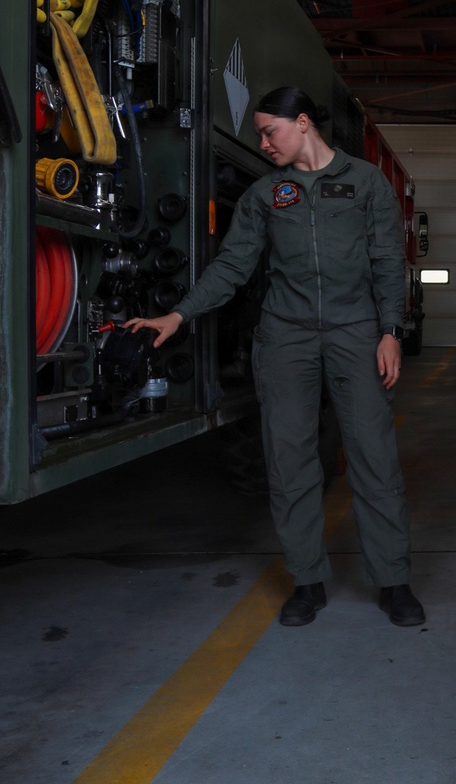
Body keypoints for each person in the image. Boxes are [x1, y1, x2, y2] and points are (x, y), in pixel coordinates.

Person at [126, 86, 425, 630]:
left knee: (374, 459)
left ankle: (393, 581)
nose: (264, 143)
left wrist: (390, 332)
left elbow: (387, 261)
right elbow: (232, 266)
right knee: (288, 463)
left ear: (304, 123)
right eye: (261, 134)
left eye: (270, 132)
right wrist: (179, 314)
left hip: (357, 333)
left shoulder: (365, 183)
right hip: (285, 338)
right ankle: (307, 582)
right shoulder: (267, 194)